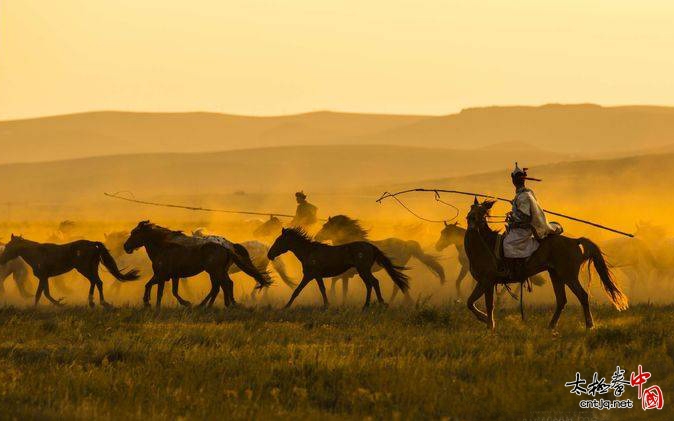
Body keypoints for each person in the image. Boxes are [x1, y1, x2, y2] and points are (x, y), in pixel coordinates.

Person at [502, 163, 562, 280]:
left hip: (524, 229)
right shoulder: (525, 194)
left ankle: (513, 272)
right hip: (522, 227)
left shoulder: (523, 196)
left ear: (513, 181)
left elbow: (525, 217)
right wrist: (514, 208)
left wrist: (513, 219)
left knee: (507, 243)